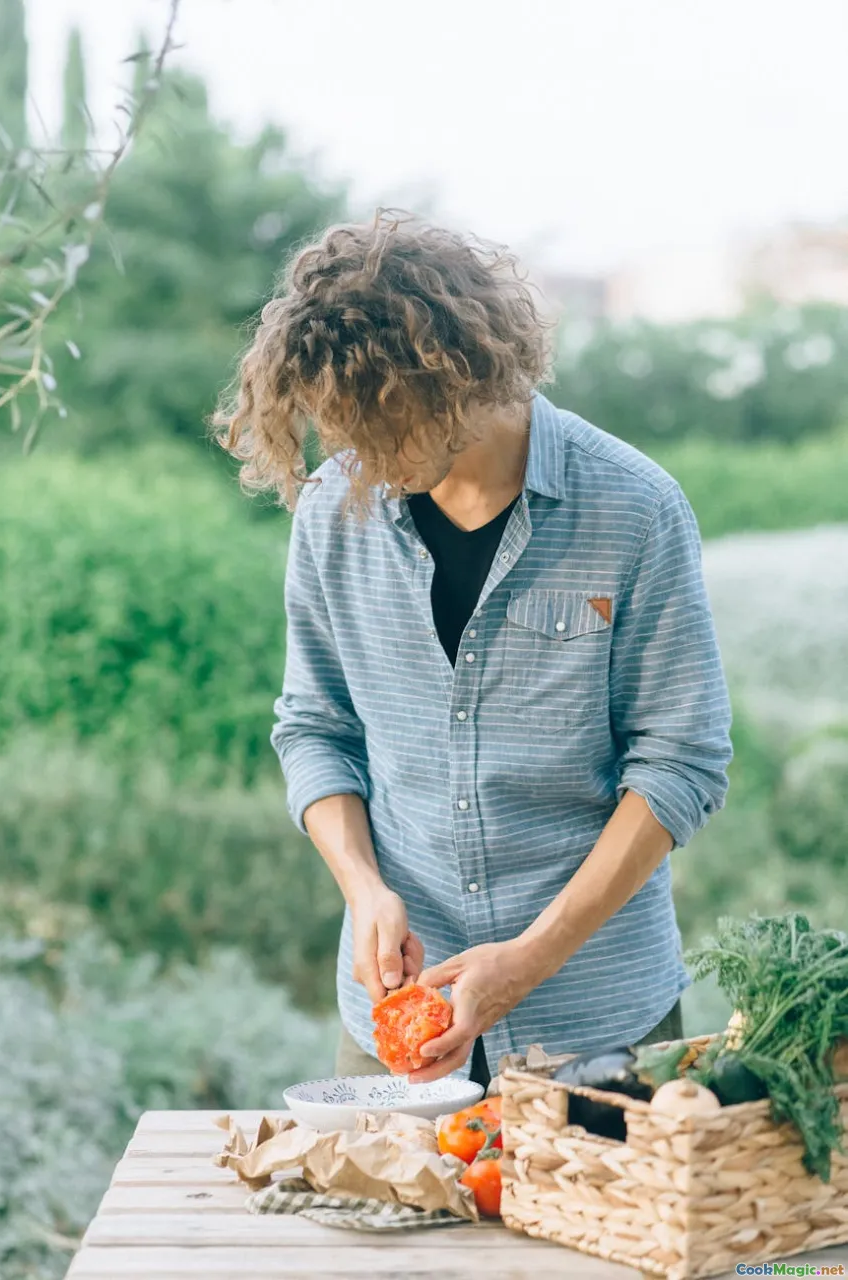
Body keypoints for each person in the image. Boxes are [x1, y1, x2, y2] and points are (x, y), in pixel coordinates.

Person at [212, 207, 733, 1090]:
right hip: (392, 1023)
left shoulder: (637, 509)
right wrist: (364, 890)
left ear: (453, 377)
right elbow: (314, 728)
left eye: (377, 421)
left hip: (596, 1020)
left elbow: (680, 762)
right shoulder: (337, 511)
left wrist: (530, 957)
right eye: (339, 425)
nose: (355, 452)